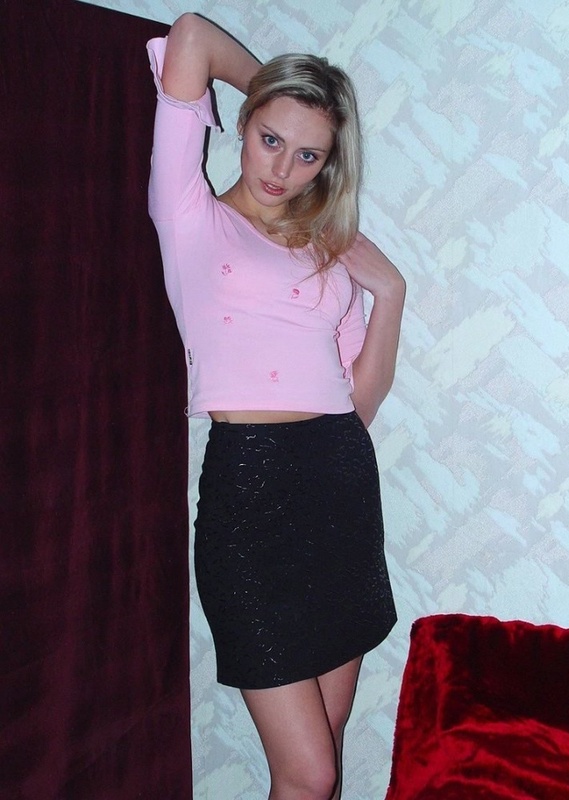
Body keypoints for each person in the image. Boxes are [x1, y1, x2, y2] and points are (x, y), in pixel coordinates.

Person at [147, 12, 405, 800]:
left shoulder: (326, 249)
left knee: (326, 747)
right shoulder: (188, 213)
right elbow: (191, 35)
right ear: (243, 123)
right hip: (250, 496)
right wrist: (283, 89)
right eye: (269, 138)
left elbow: (357, 404)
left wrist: (390, 294)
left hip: (339, 486)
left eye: (308, 155)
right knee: (309, 772)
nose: (282, 168)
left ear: (328, 165)